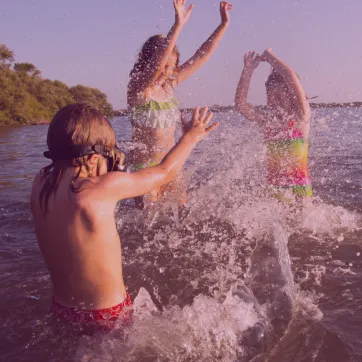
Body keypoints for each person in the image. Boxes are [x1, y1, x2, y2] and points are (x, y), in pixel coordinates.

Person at [30, 103, 218, 330]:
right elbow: (164, 172)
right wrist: (190, 137)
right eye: (108, 157)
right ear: (92, 159)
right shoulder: (98, 189)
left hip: (62, 309)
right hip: (107, 315)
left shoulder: (39, 184)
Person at [127, 0, 232, 208]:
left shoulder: (169, 85)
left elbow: (202, 56)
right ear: (146, 63)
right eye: (162, 66)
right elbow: (156, 66)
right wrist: (177, 25)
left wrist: (223, 25)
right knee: (148, 223)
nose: (165, 71)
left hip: (171, 164)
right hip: (144, 168)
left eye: (170, 67)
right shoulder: (138, 89)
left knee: (182, 215)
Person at [235, 48, 313, 204]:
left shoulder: (301, 118)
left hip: (300, 190)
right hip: (274, 188)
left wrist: (269, 56)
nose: (273, 101)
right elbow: (240, 104)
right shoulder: (268, 123)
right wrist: (247, 70)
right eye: (269, 96)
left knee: (302, 227)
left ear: (292, 96)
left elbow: (290, 76)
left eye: (278, 96)